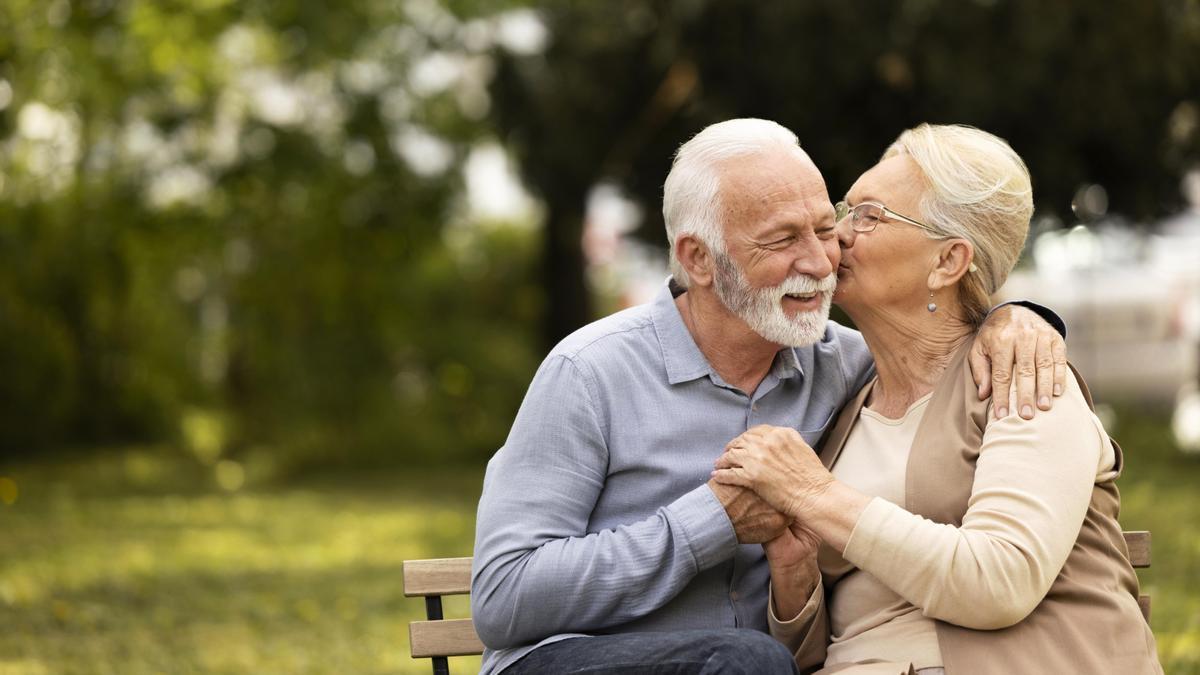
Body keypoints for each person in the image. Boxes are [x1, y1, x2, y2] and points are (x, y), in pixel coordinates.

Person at [471, 118, 1069, 675]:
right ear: (698, 258)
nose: (819, 261)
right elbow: (503, 597)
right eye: (781, 239)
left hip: (759, 665)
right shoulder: (589, 372)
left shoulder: (848, 367)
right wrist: (712, 521)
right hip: (578, 661)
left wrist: (1015, 318)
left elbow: (937, 338)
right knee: (743, 661)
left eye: (823, 227)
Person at [712, 124, 1162, 674]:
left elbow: (1000, 581)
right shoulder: (844, 403)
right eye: (844, 210)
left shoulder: (1023, 378)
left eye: (869, 216)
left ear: (948, 262)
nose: (838, 235)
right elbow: (806, 657)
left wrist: (813, 494)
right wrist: (794, 573)